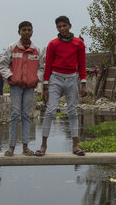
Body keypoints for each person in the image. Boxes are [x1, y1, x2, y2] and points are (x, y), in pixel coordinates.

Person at [37, 15, 86, 156]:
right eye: (59, 27)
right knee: (50, 110)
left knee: (72, 111)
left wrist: (83, 83)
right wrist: (45, 86)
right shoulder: (53, 44)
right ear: (57, 29)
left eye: (64, 25)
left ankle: (75, 145)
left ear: (70, 26)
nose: (62, 29)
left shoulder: (78, 44)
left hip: (72, 79)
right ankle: (43, 145)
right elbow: (48, 67)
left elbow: (82, 65)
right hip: (55, 78)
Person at [0, 21, 42, 156]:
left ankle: (25, 147)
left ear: (32, 32)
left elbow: (42, 67)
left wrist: (36, 78)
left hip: (29, 87)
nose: (26, 32)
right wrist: (10, 77)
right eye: (24, 30)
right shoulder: (12, 48)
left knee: (26, 115)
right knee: (15, 114)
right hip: (16, 86)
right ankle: (11, 146)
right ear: (19, 32)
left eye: (29, 30)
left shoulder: (37, 50)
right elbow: (3, 65)